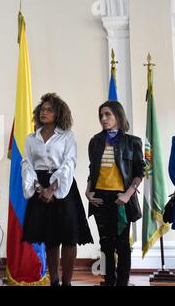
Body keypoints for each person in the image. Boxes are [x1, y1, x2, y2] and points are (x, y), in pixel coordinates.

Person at [21, 93, 93, 286]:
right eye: (42, 109)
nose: (44, 112)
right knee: (50, 236)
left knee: (69, 237)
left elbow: (69, 163)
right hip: (39, 184)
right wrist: (38, 188)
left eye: (49, 109)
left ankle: (67, 282)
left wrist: (52, 189)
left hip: (63, 185)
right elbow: (27, 164)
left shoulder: (68, 136)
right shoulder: (31, 138)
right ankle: (53, 281)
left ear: (58, 113)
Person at [85, 100, 144, 286]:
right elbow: (92, 169)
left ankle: (122, 283)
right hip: (100, 198)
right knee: (105, 245)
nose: (104, 118)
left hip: (121, 198)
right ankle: (109, 281)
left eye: (108, 114)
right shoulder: (95, 141)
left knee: (123, 245)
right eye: (101, 115)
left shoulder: (132, 142)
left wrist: (127, 195)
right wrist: (88, 192)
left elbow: (139, 172)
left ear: (118, 116)